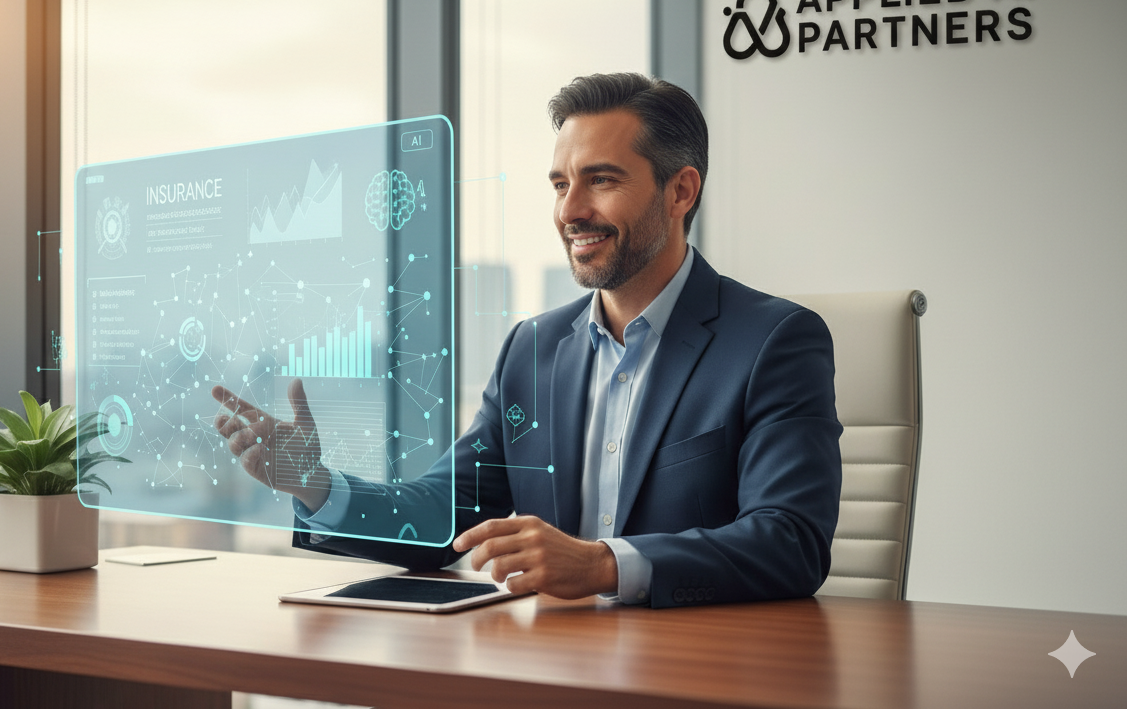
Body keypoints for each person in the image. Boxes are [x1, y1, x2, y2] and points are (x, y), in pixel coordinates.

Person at [213, 73, 841, 607]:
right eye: (561, 184)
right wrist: (315, 485)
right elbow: (442, 514)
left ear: (681, 191)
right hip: (552, 662)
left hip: (696, 670)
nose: (570, 211)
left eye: (601, 180)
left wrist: (603, 565)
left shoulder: (773, 341)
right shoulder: (532, 349)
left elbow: (789, 541)